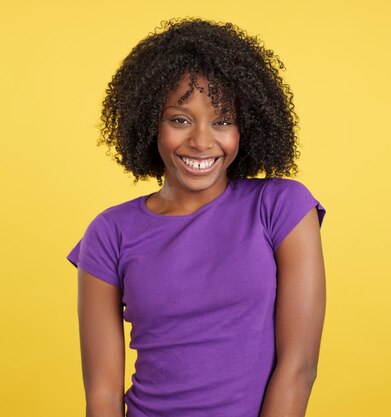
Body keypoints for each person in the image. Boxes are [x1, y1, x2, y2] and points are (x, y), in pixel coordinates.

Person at [67, 17, 326, 417]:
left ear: (247, 126)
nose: (202, 141)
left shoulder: (282, 208)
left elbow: (299, 368)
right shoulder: (110, 233)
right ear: (150, 121)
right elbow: (102, 395)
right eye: (180, 119)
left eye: (222, 121)